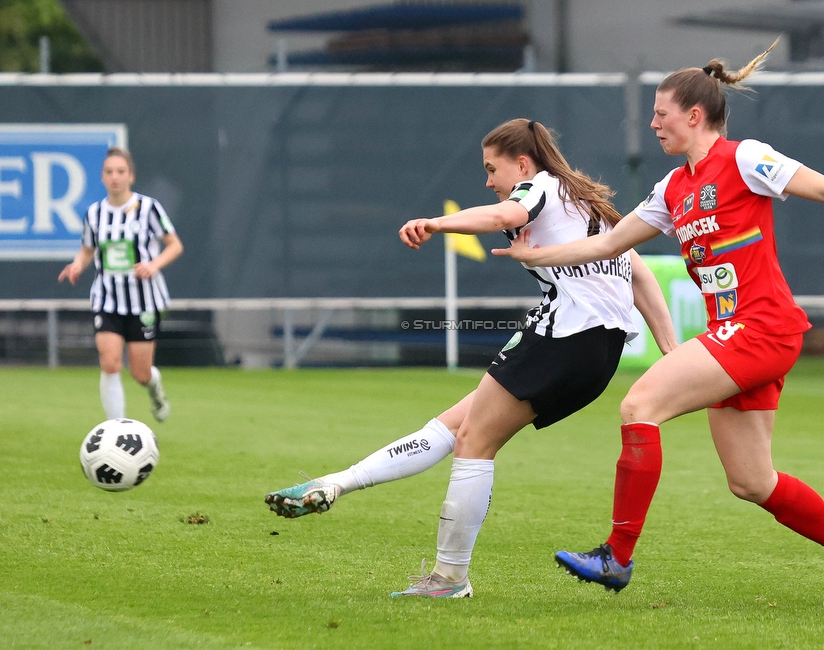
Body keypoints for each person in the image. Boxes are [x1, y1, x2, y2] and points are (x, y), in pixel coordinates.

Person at [492, 44, 824, 604]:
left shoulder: (746, 159)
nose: (651, 124)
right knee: (751, 481)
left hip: (762, 327)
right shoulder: (672, 190)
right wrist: (532, 257)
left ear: (694, 116)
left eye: (660, 113)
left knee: (639, 405)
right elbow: (606, 243)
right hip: (743, 334)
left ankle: (616, 557)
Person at [265, 117, 678, 598]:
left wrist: (437, 222)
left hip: (564, 337)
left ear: (522, 163)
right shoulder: (592, 205)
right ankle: (336, 483)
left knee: (474, 442)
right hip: (595, 353)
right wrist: (671, 352)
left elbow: (505, 218)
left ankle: (449, 579)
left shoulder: (540, 186)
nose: (488, 181)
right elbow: (640, 278)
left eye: (491, 168)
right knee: (449, 427)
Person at [59, 147, 184, 423]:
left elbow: (174, 245)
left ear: (131, 176)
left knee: (140, 373)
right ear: (102, 177)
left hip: (144, 301)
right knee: (110, 363)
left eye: (120, 171)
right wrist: (78, 264)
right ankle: (118, 430)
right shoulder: (94, 214)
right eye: (109, 172)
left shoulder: (149, 208)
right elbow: (88, 250)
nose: (114, 177)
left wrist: (153, 265)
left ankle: (156, 392)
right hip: (107, 299)